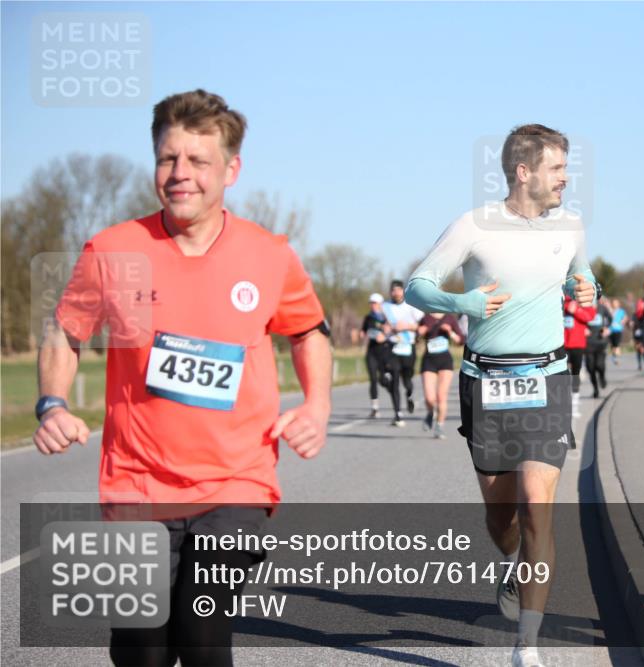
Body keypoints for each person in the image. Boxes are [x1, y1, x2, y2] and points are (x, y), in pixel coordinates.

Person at [32, 89, 332, 666]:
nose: (180, 174)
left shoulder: (269, 255)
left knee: (202, 639)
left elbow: (309, 331)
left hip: (237, 483)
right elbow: (66, 332)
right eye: (168, 159)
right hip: (136, 485)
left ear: (231, 169)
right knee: (142, 651)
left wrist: (317, 405)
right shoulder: (114, 250)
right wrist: (52, 404)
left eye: (198, 161)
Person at [405, 124, 597, 667]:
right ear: (524, 172)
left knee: (538, 504)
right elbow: (418, 285)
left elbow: (579, 276)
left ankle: (527, 645)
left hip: (546, 376)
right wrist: (463, 304)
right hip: (485, 380)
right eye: (557, 168)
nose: (566, 178)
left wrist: (587, 286)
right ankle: (513, 560)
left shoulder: (571, 225)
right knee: (501, 515)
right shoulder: (473, 226)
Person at [382, 279, 424, 426]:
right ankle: (398, 414)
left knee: (407, 380)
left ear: (403, 291)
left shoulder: (412, 306)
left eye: (398, 289)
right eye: (393, 290)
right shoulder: (385, 307)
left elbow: (422, 325)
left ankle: (409, 394)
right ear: (390, 292)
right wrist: (385, 329)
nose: (396, 293)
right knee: (394, 379)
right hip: (393, 347)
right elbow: (379, 323)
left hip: (408, 346)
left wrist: (406, 326)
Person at [417, 311, 465, 438]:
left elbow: (460, 340)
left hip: (445, 360)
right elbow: (416, 338)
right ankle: (430, 412)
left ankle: (439, 425)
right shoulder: (426, 317)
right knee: (429, 397)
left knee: (441, 396)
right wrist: (420, 332)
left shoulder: (449, 318)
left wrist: (450, 332)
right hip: (429, 360)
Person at [358, 293, 391, 418]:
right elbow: (364, 331)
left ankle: (392, 392)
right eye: (371, 303)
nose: (372, 305)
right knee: (372, 379)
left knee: (383, 379)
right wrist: (361, 334)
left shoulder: (386, 318)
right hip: (371, 351)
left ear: (380, 304)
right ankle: (375, 408)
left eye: (375, 303)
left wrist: (385, 332)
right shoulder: (368, 318)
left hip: (383, 351)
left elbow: (391, 333)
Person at [564, 294, 596, 415]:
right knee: (562, 375)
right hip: (562, 344)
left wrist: (576, 310)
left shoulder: (582, 301)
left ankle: (575, 404)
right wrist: (566, 308)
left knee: (575, 374)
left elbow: (590, 316)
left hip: (577, 344)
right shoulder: (562, 300)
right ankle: (564, 403)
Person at [584, 297, 613, 398]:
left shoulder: (602, 308)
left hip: (600, 341)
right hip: (587, 343)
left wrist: (606, 328)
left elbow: (610, 319)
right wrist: (583, 329)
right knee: (590, 368)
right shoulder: (583, 308)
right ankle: (595, 389)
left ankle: (602, 377)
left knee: (599, 365)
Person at [608, 298, 629, 364]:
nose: (614, 304)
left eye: (616, 303)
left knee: (617, 345)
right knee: (613, 345)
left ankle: (616, 358)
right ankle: (614, 357)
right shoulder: (610, 311)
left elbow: (625, 318)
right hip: (611, 330)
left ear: (618, 304)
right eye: (613, 303)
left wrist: (622, 321)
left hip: (618, 330)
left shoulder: (621, 311)